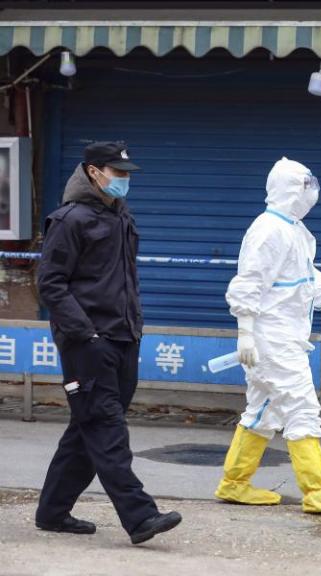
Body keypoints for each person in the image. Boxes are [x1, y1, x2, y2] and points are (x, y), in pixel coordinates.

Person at [36, 141, 182, 545]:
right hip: (88, 342)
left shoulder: (120, 216)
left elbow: (123, 280)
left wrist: (133, 327)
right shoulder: (70, 220)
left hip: (123, 338)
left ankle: (52, 511)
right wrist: (86, 334)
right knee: (105, 426)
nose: (124, 179)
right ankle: (140, 516)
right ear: (93, 172)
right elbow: (50, 284)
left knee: (87, 427)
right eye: (117, 173)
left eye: (127, 173)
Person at [216, 157, 321, 514]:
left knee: (263, 411)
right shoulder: (269, 230)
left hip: (280, 337)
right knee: (302, 406)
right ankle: (316, 490)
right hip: (272, 339)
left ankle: (234, 483)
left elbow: (304, 276)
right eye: (307, 186)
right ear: (289, 189)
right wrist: (245, 333)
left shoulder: (293, 229)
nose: (312, 193)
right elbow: (249, 283)